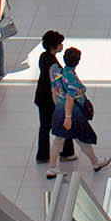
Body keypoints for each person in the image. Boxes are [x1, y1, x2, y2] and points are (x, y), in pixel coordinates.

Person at [50, 46, 110, 178]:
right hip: (72, 113)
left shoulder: (57, 72)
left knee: (59, 139)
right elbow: (70, 98)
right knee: (81, 137)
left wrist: (57, 106)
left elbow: (53, 90)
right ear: (77, 61)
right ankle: (95, 162)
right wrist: (68, 117)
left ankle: (52, 167)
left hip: (59, 109)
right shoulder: (71, 78)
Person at [35, 30, 69, 170]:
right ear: (54, 46)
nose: (62, 46)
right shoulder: (53, 65)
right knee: (64, 124)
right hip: (51, 100)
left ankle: (42, 154)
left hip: (41, 97)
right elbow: (56, 83)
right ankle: (67, 152)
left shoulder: (43, 57)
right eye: (60, 44)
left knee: (44, 126)